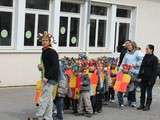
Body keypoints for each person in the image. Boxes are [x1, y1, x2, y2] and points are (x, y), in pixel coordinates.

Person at [32, 31, 60, 120]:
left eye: (46, 40)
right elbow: (48, 65)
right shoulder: (44, 51)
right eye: (43, 40)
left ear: (49, 42)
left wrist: (47, 76)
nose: (44, 42)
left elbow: (55, 66)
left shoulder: (52, 52)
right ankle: (48, 117)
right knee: (49, 99)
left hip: (50, 78)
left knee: (44, 98)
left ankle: (39, 116)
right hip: (47, 77)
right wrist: (41, 67)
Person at [121, 41, 144, 107]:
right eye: (128, 46)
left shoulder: (137, 52)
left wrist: (135, 64)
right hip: (127, 72)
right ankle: (129, 101)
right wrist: (121, 69)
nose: (128, 46)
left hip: (135, 72)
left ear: (133, 46)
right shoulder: (127, 53)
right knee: (128, 87)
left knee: (133, 87)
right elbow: (123, 62)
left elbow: (142, 60)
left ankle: (133, 101)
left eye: (130, 45)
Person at [137, 44, 158, 111]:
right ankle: (141, 105)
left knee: (149, 92)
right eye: (146, 49)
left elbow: (155, 70)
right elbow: (141, 67)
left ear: (151, 50)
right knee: (142, 92)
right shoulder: (145, 56)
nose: (146, 50)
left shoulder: (155, 58)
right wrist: (139, 76)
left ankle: (147, 106)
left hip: (150, 78)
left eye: (147, 49)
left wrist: (152, 80)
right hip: (143, 78)